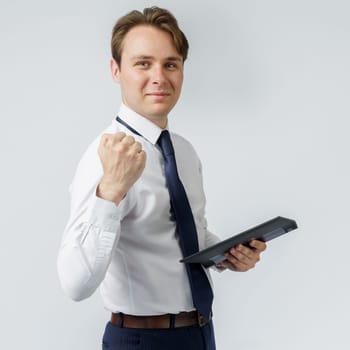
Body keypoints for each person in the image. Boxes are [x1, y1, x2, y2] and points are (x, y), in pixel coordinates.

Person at [57, 6, 266, 350]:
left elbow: (178, 233)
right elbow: (75, 284)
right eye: (143, 63)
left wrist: (226, 255)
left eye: (170, 64)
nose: (159, 77)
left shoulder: (183, 151)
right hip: (142, 340)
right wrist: (110, 190)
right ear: (116, 70)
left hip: (199, 333)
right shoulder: (105, 155)